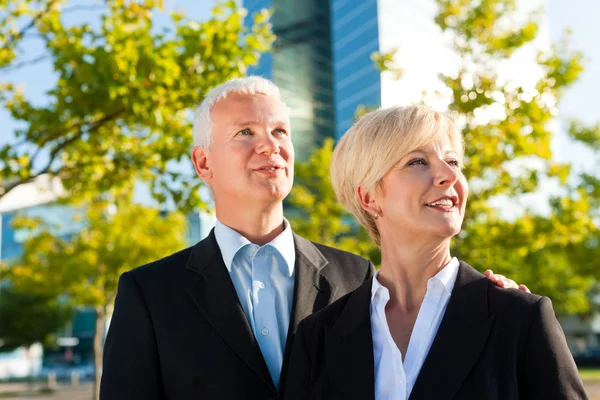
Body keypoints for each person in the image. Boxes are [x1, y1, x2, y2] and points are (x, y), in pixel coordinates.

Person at [99, 78, 526, 400]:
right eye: (245, 132)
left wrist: (487, 302)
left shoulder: (357, 275)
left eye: (281, 132)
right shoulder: (149, 292)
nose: (270, 146)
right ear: (203, 162)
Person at [284, 105, 587, 400]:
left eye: (453, 162)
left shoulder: (520, 317)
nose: (448, 175)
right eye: (418, 162)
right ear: (369, 197)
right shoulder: (318, 336)